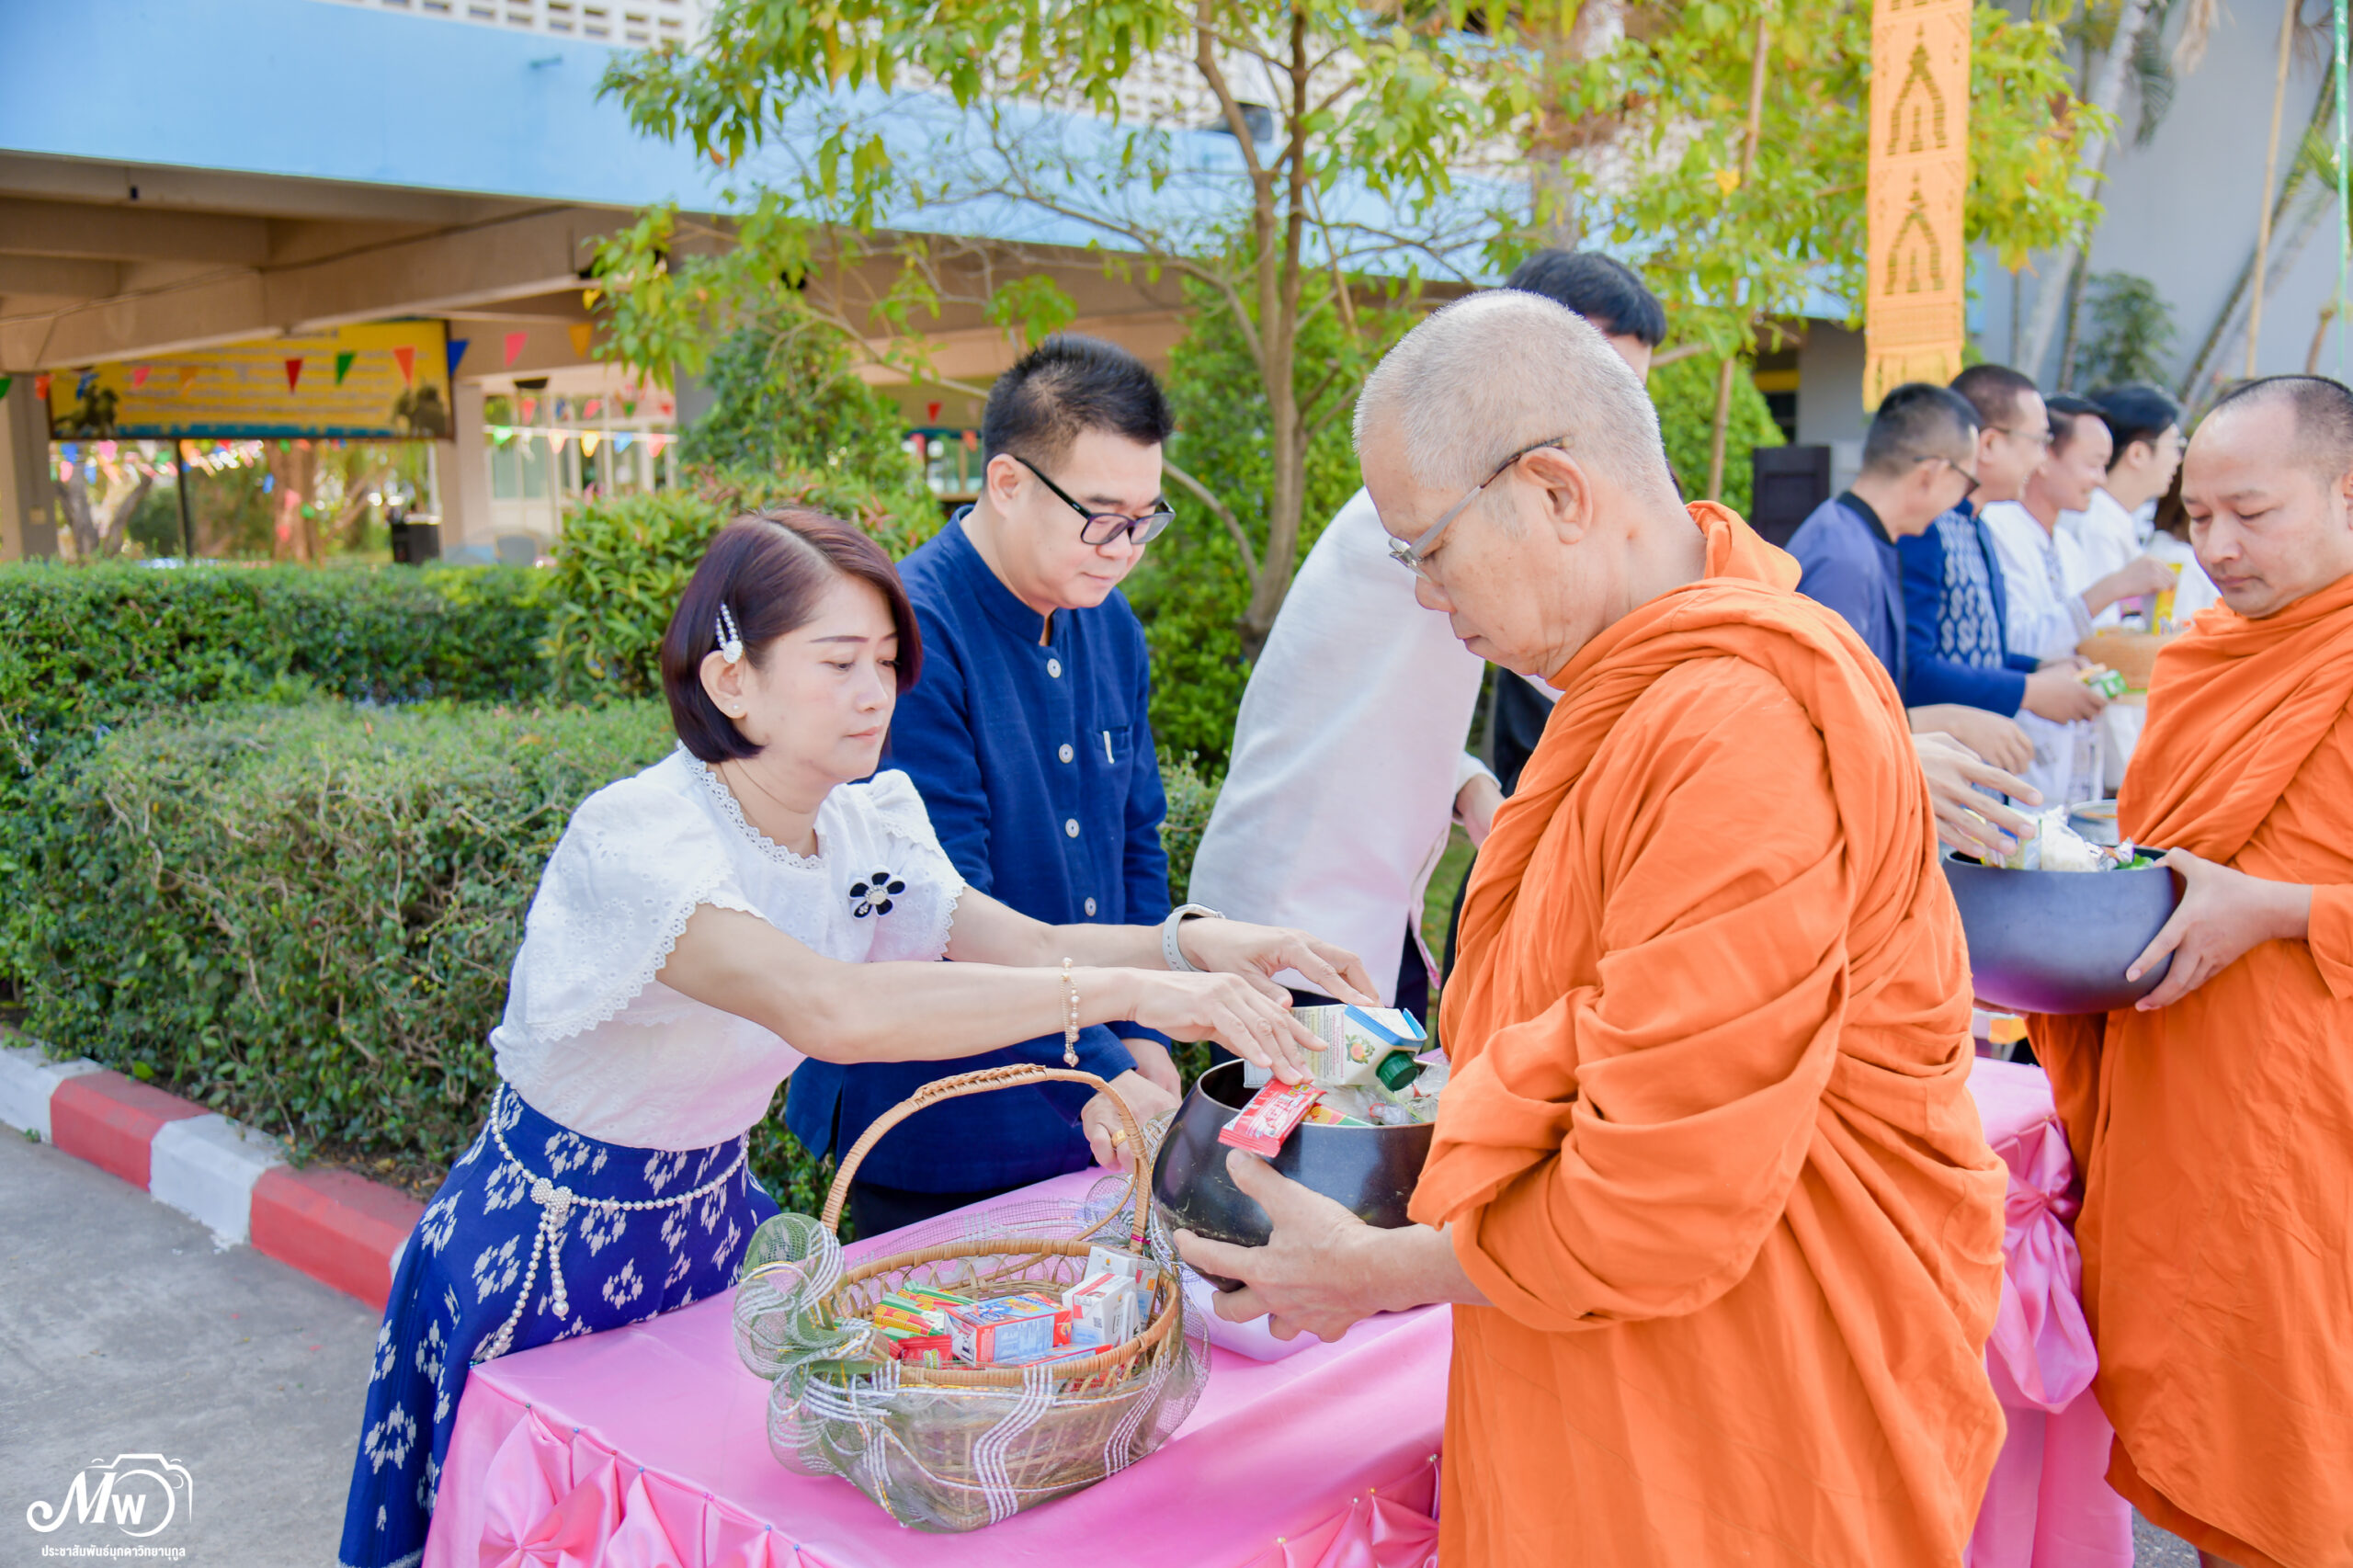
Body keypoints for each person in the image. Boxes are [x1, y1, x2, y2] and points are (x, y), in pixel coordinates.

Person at [335, 509, 1366, 1568]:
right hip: (542, 1249)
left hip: (711, 1230)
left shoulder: (866, 825)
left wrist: (1203, 941)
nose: (876, 692)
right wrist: (1134, 1001)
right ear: (731, 680)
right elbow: (834, 1011)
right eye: (838, 662)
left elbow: (1023, 941)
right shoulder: (644, 840)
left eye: (885, 659)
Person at [1178, 292, 2008, 1565]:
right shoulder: (1635, 682)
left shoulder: (1736, 720)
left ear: (1558, 492)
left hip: (1740, 1429)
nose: (1423, 596)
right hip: (1600, 1362)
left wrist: (1374, 1268)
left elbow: (1658, 1198)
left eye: (1430, 551)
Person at [2029, 375, 2353, 1568]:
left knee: (2303, 1446)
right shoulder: (2209, 654)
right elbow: (2156, 848)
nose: (2215, 547)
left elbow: (2244, 878)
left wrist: (2272, 909)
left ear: (2347, 492)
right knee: (2214, 1434)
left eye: (2251, 514)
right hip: (2181, 1101)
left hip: (2314, 1130)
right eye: (2196, 515)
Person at [785, 337, 1210, 1237]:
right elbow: (943, 910)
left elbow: (1137, 835)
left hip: (1097, 1099)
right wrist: (1108, 1055)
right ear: (1008, 483)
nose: (1125, 549)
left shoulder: (1109, 621)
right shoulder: (905, 637)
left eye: (1145, 518)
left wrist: (1147, 1038)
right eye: (1101, 517)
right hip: (938, 1114)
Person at [1187, 249, 1661, 1021]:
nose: (1616, 428)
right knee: (1320, 1139)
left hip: (1345, 899)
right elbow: (1623, 660)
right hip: (1300, 912)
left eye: (1632, 398)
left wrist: (1465, 779)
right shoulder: (1443, 512)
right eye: (1602, 384)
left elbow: (1363, 700)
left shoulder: (1432, 502)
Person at [1788, 381, 2040, 858]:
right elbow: (1823, 726)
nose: (1963, 498)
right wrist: (1950, 720)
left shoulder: (1862, 541)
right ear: (1930, 475)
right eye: (1965, 483)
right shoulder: (1843, 558)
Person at [1980, 395, 2173, 807]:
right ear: (2045, 458)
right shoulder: (1996, 528)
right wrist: (2111, 588)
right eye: (2092, 463)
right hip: (2016, 746)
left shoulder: (2066, 542)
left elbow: (2084, 641)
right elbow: (2010, 643)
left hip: (2074, 755)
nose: (2101, 479)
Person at [1898, 366, 2109, 741]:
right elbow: (1911, 670)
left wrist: (2040, 668)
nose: (2041, 460)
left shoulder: (1977, 525)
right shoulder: (1927, 528)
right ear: (1990, 445)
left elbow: (1981, 654)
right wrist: (2031, 690)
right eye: (2039, 442)